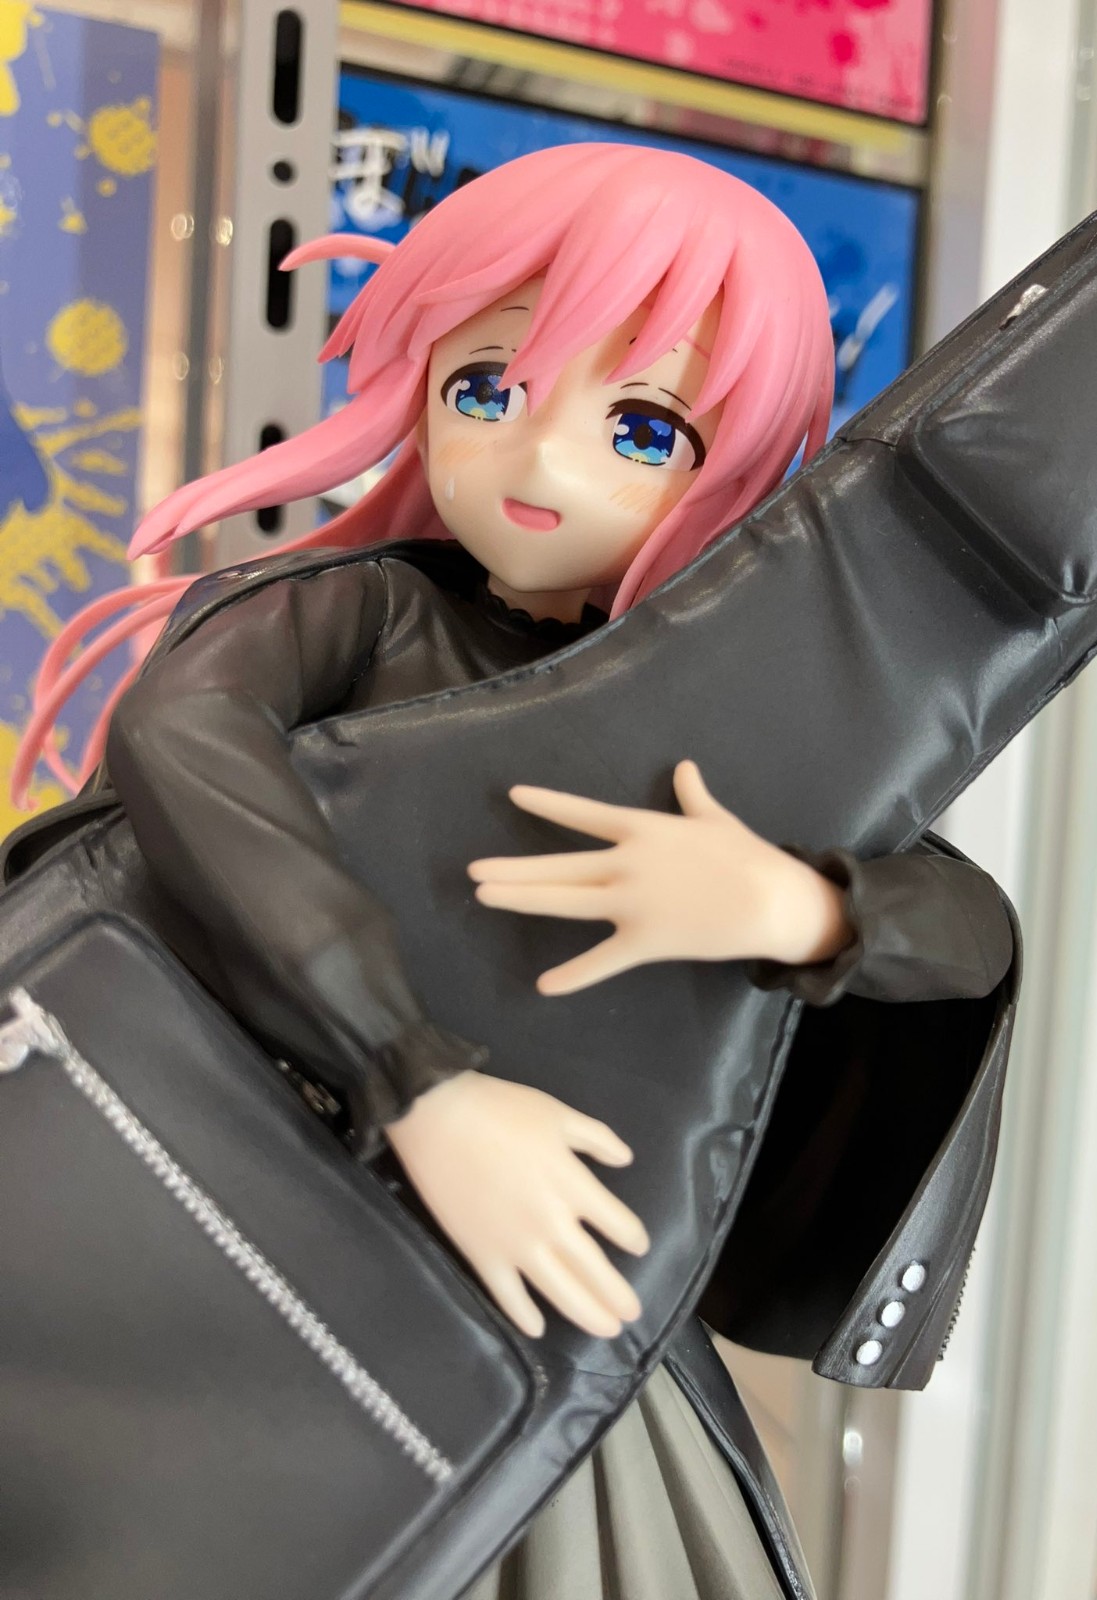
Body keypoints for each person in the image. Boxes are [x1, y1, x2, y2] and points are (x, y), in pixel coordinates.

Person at [12, 144, 1015, 1599]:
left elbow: (970, 929)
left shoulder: (724, 712)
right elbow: (182, 738)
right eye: (488, 390)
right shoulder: (365, 615)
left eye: (643, 426)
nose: (540, 463)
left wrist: (795, 905)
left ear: (740, 460)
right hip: (260, 1202)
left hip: (564, 1283)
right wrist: (411, 1075)